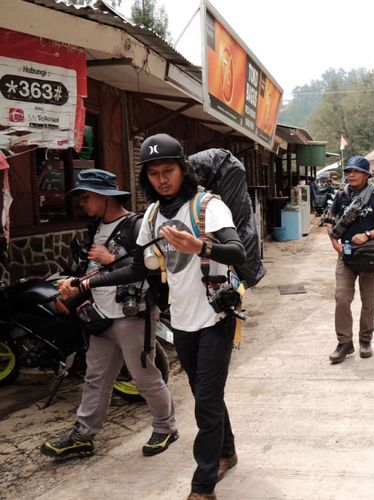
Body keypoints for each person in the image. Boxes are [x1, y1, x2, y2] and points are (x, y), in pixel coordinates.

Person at [70, 134, 246, 500]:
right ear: (146, 177)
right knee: (204, 394)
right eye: (154, 173)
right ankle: (226, 451)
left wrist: (200, 245)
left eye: (169, 170)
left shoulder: (207, 206)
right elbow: (138, 267)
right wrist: (88, 283)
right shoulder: (150, 216)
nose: (162, 179)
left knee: (206, 402)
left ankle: (203, 486)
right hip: (181, 320)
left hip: (216, 317)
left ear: (183, 169)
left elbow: (237, 252)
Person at [42, 169, 178, 459]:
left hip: (133, 314)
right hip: (100, 315)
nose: (82, 203)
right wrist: (76, 287)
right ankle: (84, 434)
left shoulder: (137, 225)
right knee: (96, 377)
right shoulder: (95, 227)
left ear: (105, 196)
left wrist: (113, 259)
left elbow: (148, 267)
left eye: (86, 197)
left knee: (144, 376)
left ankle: (166, 428)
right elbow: (93, 271)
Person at [327, 156, 374, 363]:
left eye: (355, 171)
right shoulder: (341, 195)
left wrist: (368, 235)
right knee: (342, 299)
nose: (351, 175)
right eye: (348, 171)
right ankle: (344, 343)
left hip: (369, 258)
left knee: (368, 300)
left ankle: (365, 340)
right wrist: (335, 244)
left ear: (366, 175)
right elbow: (330, 220)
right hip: (345, 256)